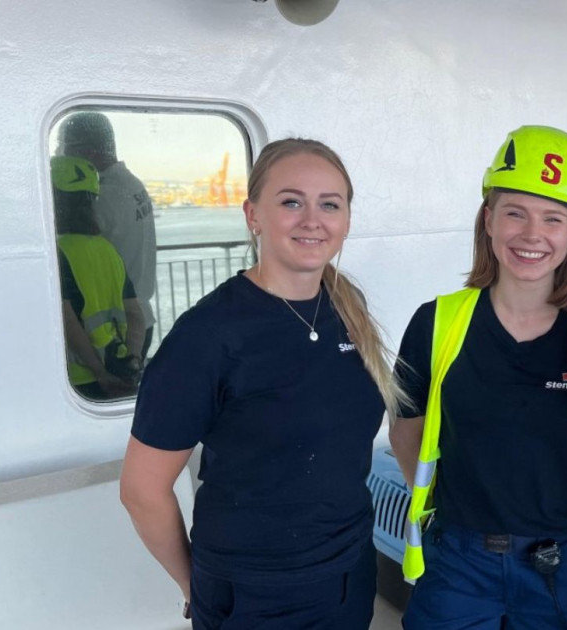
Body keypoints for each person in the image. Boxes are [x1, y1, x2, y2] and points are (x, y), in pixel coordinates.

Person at [120, 138, 404, 628]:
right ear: (253, 215)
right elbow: (142, 490)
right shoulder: (208, 335)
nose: (312, 220)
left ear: (346, 220)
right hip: (255, 590)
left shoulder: (344, 305)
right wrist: (197, 585)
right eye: (291, 202)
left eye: (329, 205)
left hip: (349, 571)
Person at [390, 125, 567, 630]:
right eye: (515, 212)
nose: (532, 235)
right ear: (488, 220)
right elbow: (406, 428)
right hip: (457, 562)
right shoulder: (435, 324)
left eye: (553, 219)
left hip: (561, 566)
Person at [58, 111, 158, 357]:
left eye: (64, 147)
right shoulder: (131, 184)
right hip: (140, 316)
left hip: (117, 326)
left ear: (89, 151)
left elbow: (72, 237)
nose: (61, 155)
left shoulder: (105, 197)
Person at [51, 155, 146, 401]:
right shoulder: (108, 250)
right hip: (117, 368)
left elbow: (68, 322)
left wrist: (100, 373)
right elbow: (136, 315)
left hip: (79, 380)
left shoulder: (56, 253)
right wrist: (132, 362)